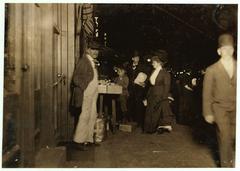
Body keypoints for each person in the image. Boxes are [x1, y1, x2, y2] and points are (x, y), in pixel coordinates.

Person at [203, 33, 236, 167]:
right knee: (225, 138)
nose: (227, 51)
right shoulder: (212, 70)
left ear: (233, 50)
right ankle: (226, 166)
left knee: (233, 137)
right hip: (219, 108)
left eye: (230, 48)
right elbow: (206, 93)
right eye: (224, 49)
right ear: (219, 51)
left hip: (236, 108)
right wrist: (208, 113)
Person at [71, 40, 101, 150]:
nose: (95, 52)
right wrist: (84, 87)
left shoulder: (92, 61)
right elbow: (76, 78)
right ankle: (78, 141)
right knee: (84, 116)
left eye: (97, 50)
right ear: (88, 50)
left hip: (93, 94)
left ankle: (88, 139)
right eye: (93, 49)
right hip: (87, 93)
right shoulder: (84, 61)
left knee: (92, 115)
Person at [144, 50, 173, 134]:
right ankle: (148, 129)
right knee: (149, 112)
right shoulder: (153, 71)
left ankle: (152, 129)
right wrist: (146, 96)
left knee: (156, 113)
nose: (152, 63)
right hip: (151, 93)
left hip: (159, 95)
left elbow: (167, 86)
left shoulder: (165, 73)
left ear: (158, 63)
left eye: (153, 62)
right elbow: (151, 84)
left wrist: (164, 98)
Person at [127, 50, 148, 130]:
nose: (137, 59)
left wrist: (144, 83)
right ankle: (131, 119)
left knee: (139, 104)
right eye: (135, 57)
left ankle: (139, 121)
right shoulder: (129, 66)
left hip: (139, 89)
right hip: (131, 88)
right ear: (132, 58)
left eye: (138, 57)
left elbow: (146, 76)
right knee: (131, 103)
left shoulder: (142, 66)